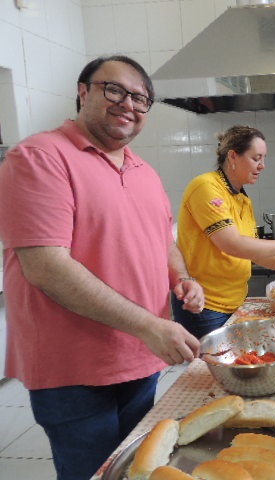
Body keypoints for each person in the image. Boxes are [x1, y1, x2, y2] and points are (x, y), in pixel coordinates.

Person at [0, 55, 205, 480]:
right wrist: (149, 325)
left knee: (134, 468)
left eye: (141, 98)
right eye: (115, 90)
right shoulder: (39, 158)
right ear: (83, 91)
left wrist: (182, 278)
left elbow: (164, 240)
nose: (128, 104)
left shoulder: (143, 170)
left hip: (140, 357)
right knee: (93, 472)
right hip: (74, 370)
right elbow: (46, 267)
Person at [172, 125, 275, 339]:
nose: (262, 166)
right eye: (256, 158)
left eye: (264, 159)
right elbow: (231, 243)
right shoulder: (206, 187)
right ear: (233, 156)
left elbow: (252, 253)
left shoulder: (242, 199)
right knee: (209, 361)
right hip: (204, 306)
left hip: (234, 303)